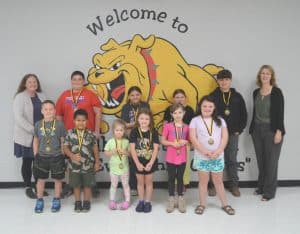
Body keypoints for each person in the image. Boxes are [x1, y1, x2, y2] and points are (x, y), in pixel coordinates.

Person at [56, 70, 102, 198]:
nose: (77, 81)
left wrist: (97, 131)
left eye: (79, 79)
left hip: (88, 134)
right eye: (74, 79)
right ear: (71, 81)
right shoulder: (64, 95)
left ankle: (91, 184)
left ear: (83, 81)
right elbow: (58, 116)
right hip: (70, 135)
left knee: (90, 159)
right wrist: (61, 134)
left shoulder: (90, 94)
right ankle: (69, 185)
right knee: (70, 160)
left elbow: (98, 112)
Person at [190, 95, 235, 215]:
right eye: (204, 106)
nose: (207, 108)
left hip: (217, 156)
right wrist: (204, 151)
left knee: (218, 181)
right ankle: (202, 204)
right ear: (200, 107)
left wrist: (219, 151)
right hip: (202, 156)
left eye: (210, 106)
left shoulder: (220, 120)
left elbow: (225, 137)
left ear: (214, 107)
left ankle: (225, 204)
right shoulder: (195, 120)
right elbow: (193, 138)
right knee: (203, 181)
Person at [209, 69, 247, 197]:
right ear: (218, 81)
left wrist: (239, 129)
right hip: (216, 134)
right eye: (221, 80)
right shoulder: (212, 96)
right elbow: (207, 114)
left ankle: (234, 185)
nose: (224, 82)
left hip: (232, 134)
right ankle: (212, 185)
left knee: (231, 159)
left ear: (230, 81)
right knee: (214, 159)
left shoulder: (237, 96)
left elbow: (244, 115)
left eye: (226, 79)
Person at [249, 65, 285, 201]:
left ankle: (269, 192)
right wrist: (252, 130)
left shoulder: (277, 92)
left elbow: (280, 113)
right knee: (261, 161)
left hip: (272, 130)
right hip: (257, 130)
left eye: (267, 74)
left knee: (271, 162)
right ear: (260, 76)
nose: (265, 76)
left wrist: (279, 132)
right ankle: (262, 187)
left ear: (271, 76)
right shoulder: (255, 92)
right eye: (262, 73)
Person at [13, 74, 46, 199]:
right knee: (27, 161)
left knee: (39, 161)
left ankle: (39, 187)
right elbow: (19, 118)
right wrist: (33, 130)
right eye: (30, 82)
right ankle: (28, 186)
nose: (33, 84)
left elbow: (48, 111)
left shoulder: (42, 96)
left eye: (35, 81)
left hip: (41, 134)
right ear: (24, 84)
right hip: (26, 134)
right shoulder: (20, 97)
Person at [63, 109, 101, 212]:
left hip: (88, 165)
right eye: (78, 120)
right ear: (74, 120)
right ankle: (78, 202)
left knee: (87, 185)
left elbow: (95, 149)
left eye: (83, 120)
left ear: (87, 121)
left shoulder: (91, 134)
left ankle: (87, 202)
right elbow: (65, 148)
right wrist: (72, 156)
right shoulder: (69, 133)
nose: (81, 122)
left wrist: (97, 162)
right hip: (74, 165)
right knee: (76, 185)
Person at [33, 100, 66, 213]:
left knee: (58, 179)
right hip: (42, 156)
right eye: (45, 109)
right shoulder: (38, 124)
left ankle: (56, 199)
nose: (48, 111)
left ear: (55, 111)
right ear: (42, 111)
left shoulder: (59, 124)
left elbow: (62, 141)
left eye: (50, 109)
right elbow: (35, 140)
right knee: (41, 179)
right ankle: (39, 199)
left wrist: (63, 154)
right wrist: (35, 154)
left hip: (57, 156)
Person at [121, 86, 150, 196]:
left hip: (144, 138)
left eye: (137, 94)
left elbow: (148, 120)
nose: (135, 97)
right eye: (132, 95)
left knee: (144, 160)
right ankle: (133, 186)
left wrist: (133, 125)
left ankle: (143, 186)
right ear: (129, 96)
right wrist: (136, 124)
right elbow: (124, 124)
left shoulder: (145, 105)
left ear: (140, 95)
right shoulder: (125, 107)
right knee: (133, 162)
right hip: (130, 138)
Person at [163, 89, 194, 190]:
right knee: (172, 165)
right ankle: (174, 185)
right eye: (177, 97)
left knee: (184, 165)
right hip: (172, 142)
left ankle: (183, 184)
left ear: (185, 98)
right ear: (173, 99)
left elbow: (192, 126)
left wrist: (188, 141)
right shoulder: (169, 109)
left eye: (181, 97)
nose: (179, 99)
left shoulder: (189, 110)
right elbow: (165, 123)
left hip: (185, 142)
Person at [129, 108, 159, 213]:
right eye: (141, 118)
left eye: (146, 119)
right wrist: (137, 163)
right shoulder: (134, 131)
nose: (144, 121)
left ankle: (148, 202)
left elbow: (155, 149)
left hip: (150, 162)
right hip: (138, 162)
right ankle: (141, 201)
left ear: (150, 120)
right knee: (140, 182)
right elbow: (132, 148)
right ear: (138, 119)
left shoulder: (153, 132)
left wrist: (151, 162)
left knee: (149, 182)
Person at [161, 103, 189, 213]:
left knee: (180, 178)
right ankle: (171, 199)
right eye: (175, 113)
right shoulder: (168, 126)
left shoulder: (187, 127)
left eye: (180, 112)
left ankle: (181, 199)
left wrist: (185, 141)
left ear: (184, 113)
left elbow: (190, 140)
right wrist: (172, 143)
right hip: (171, 157)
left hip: (182, 156)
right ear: (171, 114)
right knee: (171, 178)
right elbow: (163, 140)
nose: (178, 115)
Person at [104, 119, 131, 210]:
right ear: (113, 131)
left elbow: (130, 154)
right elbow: (106, 153)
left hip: (124, 169)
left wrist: (125, 152)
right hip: (114, 169)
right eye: (117, 130)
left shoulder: (126, 142)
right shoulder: (110, 142)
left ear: (124, 131)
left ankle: (127, 201)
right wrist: (112, 152)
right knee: (113, 185)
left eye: (121, 130)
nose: (119, 132)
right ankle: (112, 201)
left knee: (125, 185)